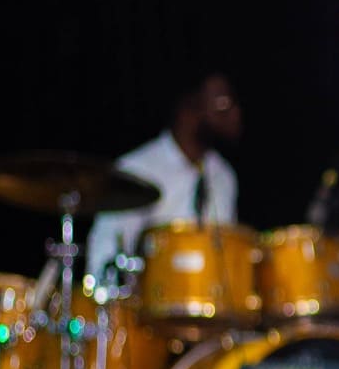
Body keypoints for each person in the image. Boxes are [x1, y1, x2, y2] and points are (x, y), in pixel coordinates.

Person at [85, 73, 243, 278]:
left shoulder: (224, 175)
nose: (235, 114)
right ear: (188, 110)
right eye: (222, 104)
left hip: (209, 296)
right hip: (149, 295)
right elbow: (105, 253)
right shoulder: (138, 169)